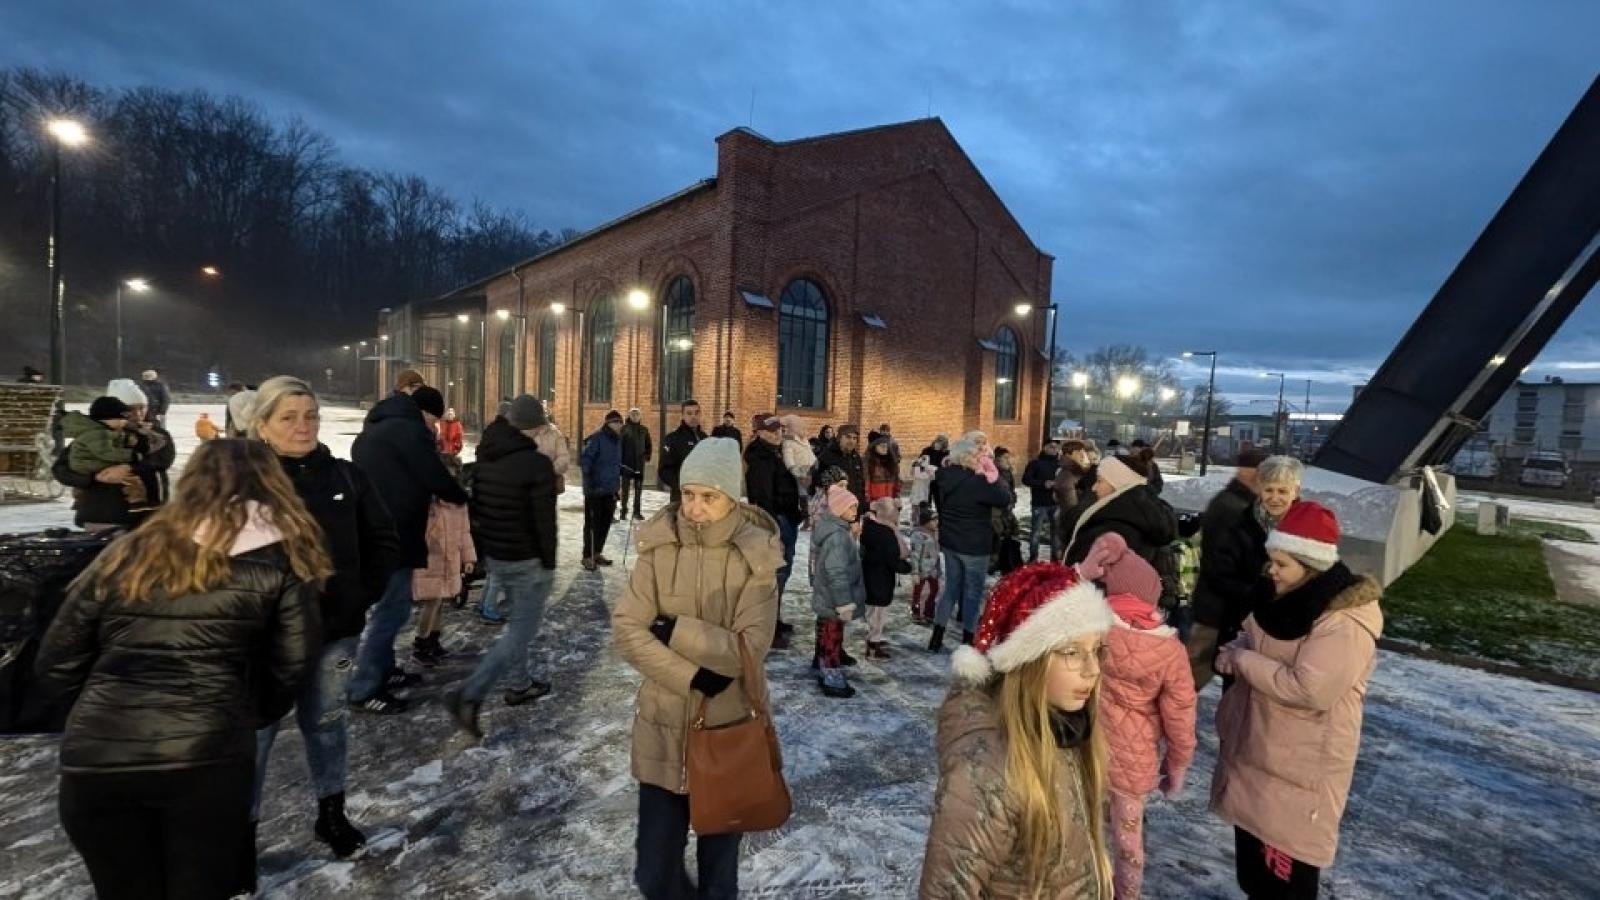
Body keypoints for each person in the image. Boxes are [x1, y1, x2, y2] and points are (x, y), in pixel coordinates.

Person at [36, 439, 325, 900]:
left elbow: (57, 658)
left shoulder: (129, 550)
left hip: (98, 760)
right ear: (274, 484)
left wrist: (97, 714)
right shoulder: (283, 559)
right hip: (205, 757)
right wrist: (242, 714)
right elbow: (293, 663)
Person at [611, 437, 782, 898]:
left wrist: (672, 628)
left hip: (728, 730)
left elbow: (750, 648)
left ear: (732, 498)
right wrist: (692, 676)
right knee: (653, 874)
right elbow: (628, 629)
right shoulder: (659, 546)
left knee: (719, 881)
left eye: (709, 497)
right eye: (688, 494)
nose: (695, 508)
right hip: (663, 728)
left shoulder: (756, 557)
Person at [246, 375, 400, 875]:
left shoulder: (346, 477)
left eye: (310, 415)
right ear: (262, 425)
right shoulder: (243, 481)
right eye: (288, 417)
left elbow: (383, 538)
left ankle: (330, 813)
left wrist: (360, 592)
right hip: (260, 642)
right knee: (255, 736)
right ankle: (236, 835)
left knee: (327, 725)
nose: (303, 426)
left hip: (333, 632)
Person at [1212, 502, 1382, 899]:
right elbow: (1255, 638)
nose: (1271, 570)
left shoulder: (1343, 620)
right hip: (1260, 750)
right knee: (1254, 877)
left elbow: (1311, 689)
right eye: (1272, 561)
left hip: (1299, 769)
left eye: (1281, 563)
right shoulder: (1277, 598)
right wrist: (1236, 647)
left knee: (1285, 886)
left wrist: (1242, 659)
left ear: (1311, 566)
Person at [921, 562, 1114, 899]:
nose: (1092, 669)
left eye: (1097, 650)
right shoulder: (990, 770)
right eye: (1071, 652)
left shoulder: (1071, 729)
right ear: (1028, 661)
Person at [1076, 532, 1196, 899]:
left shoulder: (1093, 631)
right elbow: (1181, 714)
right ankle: (1125, 893)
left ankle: (1080, 887)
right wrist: (1177, 764)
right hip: (1135, 761)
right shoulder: (1171, 650)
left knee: (1082, 830)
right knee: (1128, 841)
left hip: (1086, 749)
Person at [347, 383, 469, 713]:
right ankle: (364, 687)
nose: (436, 426)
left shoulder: (379, 426)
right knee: (391, 612)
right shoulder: (410, 430)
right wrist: (459, 494)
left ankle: (385, 671)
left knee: (392, 609)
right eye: (435, 419)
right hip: (393, 533)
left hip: (377, 530)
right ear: (425, 413)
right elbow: (434, 475)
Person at [444, 395, 560, 738]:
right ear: (534, 424)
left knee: (516, 624)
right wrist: (549, 562)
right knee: (520, 630)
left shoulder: (486, 456)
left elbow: (479, 506)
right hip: (527, 560)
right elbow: (543, 521)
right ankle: (469, 694)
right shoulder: (534, 463)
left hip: (499, 555)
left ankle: (520, 682)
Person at [1188, 448, 1271, 690]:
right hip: (1217, 611)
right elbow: (1219, 567)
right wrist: (1255, 591)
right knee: (1189, 679)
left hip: (1227, 610)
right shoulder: (1231, 508)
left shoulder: (1246, 504)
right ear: (1251, 472)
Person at [53, 380, 176, 530]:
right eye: (130, 409)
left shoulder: (156, 435)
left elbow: (162, 460)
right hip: (99, 514)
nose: (138, 414)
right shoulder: (91, 435)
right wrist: (93, 477)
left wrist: (129, 467)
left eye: (142, 407)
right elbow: (61, 469)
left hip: (146, 516)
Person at [928, 438, 1014, 652]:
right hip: (974, 545)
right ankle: (967, 641)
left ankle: (936, 638)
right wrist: (992, 471)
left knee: (951, 589)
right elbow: (1005, 497)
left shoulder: (944, 475)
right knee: (972, 593)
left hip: (950, 540)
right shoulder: (979, 482)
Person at [744, 414, 804, 649]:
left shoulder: (775, 453)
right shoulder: (761, 458)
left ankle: (774, 620)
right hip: (775, 521)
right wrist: (773, 533)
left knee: (782, 573)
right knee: (773, 576)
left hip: (786, 517)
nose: (776, 434)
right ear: (759, 432)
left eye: (778, 430)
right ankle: (767, 627)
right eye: (770, 431)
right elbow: (763, 499)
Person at [1063, 456, 1178, 567]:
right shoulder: (1142, 515)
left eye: (1099, 481)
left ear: (1118, 483)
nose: (1094, 488)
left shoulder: (1114, 526)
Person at [811, 485, 866, 698]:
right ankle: (831, 674)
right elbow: (836, 573)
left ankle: (822, 661)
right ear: (838, 509)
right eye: (851, 507)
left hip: (828, 597)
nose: (855, 511)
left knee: (826, 630)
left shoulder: (838, 531)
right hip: (834, 599)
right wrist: (844, 603)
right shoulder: (837, 539)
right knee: (832, 635)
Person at [411, 498, 474, 667]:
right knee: (432, 602)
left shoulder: (459, 503)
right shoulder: (427, 502)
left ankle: (433, 641)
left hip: (450, 559)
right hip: (430, 561)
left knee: (439, 602)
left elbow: (464, 532)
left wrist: (468, 559)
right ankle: (421, 645)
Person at [63, 397, 150, 506]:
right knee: (124, 476)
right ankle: (137, 502)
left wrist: (129, 439)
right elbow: (107, 453)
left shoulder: (101, 431)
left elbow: (115, 439)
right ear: (109, 419)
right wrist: (131, 455)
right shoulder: (97, 434)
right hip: (86, 464)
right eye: (121, 419)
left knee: (123, 474)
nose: (124, 422)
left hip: (89, 464)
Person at [860, 497, 911, 660]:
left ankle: (872, 640)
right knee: (878, 615)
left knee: (873, 613)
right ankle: (873, 646)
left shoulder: (869, 526)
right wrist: (907, 567)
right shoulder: (886, 533)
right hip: (881, 579)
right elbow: (892, 558)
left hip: (870, 575)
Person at [579, 409, 625, 571]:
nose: (619, 425)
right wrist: (589, 481)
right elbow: (585, 460)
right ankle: (587, 556)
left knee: (604, 524)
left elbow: (613, 464)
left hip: (609, 490)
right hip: (595, 490)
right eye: (616, 422)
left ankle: (597, 552)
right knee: (592, 524)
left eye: (621, 422)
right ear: (608, 423)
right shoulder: (597, 438)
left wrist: (624, 472)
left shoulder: (617, 441)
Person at [1052, 440, 1095, 562]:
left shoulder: (1078, 471)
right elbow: (1071, 507)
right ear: (1069, 455)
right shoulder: (1068, 474)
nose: (1083, 455)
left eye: (1083, 452)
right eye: (1079, 452)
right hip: (1073, 523)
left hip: (1079, 521)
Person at [658, 399, 707, 504]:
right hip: (681, 497)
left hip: (703, 497)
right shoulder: (673, 439)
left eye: (696, 413)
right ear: (683, 416)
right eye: (689, 413)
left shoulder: (705, 438)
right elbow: (664, 470)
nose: (693, 416)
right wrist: (681, 486)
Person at [1022, 440, 1063, 563]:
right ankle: (1033, 558)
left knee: (1056, 534)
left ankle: (1055, 560)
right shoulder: (1035, 463)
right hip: (1039, 504)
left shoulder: (1060, 464)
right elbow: (1026, 479)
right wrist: (1043, 484)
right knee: (1036, 533)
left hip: (1056, 503)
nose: (1054, 449)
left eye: (1056, 447)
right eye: (1051, 447)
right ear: (1044, 448)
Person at [814, 423, 868, 510]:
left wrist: (862, 506)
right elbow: (816, 480)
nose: (852, 441)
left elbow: (860, 483)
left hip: (853, 508)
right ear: (839, 438)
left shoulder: (856, 457)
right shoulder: (827, 456)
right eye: (848, 437)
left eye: (855, 438)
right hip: (834, 508)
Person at [908, 506, 942, 625]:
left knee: (935, 590)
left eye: (936, 520)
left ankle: (929, 612)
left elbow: (936, 553)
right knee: (919, 592)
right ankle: (916, 611)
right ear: (926, 522)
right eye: (933, 520)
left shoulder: (935, 533)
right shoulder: (918, 535)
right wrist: (915, 572)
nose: (936, 522)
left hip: (932, 569)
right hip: (922, 570)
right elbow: (915, 555)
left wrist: (938, 568)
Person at [619, 407, 653, 521]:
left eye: (637, 414)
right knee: (625, 489)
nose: (635, 416)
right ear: (629, 416)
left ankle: (636, 512)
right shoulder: (624, 429)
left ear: (640, 416)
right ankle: (623, 511)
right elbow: (620, 445)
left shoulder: (644, 430)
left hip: (639, 464)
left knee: (638, 488)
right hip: (626, 464)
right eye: (633, 414)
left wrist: (647, 455)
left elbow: (648, 444)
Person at [865, 433, 901, 504]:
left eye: (886, 446)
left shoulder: (892, 463)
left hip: (890, 502)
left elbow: (897, 482)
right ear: (874, 447)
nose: (885, 448)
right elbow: (866, 484)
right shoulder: (869, 463)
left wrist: (897, 498)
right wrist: (868, 502)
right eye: (882, 446)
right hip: (875, 502)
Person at [920, 434, 950, 511]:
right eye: (938, 441)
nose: (939, 443)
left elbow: (948, 468)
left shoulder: (946, 453)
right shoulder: (926, 450)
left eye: (942, 442)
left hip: (939, 481)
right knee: (926, 501)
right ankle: (926, 517)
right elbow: (920, 462)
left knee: (939, 502)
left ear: (945, 444)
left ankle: (940, 519)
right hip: (927, 480)